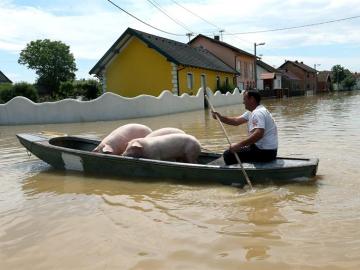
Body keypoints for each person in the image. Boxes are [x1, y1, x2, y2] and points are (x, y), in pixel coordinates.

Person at [211, 89, 278, 165]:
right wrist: (220, 117)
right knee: (235, 150)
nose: (243, 102)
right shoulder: (255, 111)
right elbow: (236, 121)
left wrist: (239, 145)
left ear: (252, 99)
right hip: (268, 151)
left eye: (244, 99)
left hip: (265, 153)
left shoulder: (257, 113)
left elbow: (259, 134)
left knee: (228, 154)